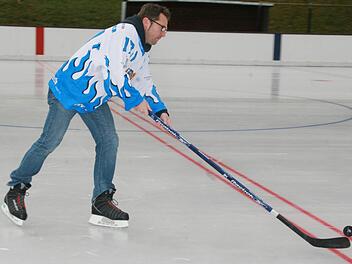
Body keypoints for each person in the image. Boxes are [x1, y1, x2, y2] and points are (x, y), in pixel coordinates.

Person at [1, 3, 172, 228]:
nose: (164, 34)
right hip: (67, 91)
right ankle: (16, 189)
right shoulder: (122, 34)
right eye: (162, 28)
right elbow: (116, 73)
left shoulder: (140, 49)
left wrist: (159, 108)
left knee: (109, 140)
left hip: (93, 100)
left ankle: (101, 201)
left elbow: (143, 79)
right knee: (49, 141)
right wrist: (135, 100)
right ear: (147, 22)